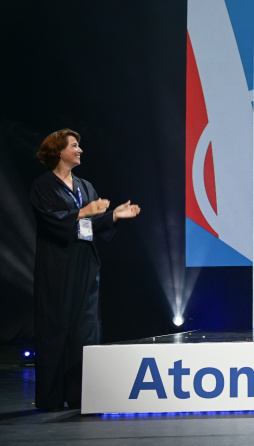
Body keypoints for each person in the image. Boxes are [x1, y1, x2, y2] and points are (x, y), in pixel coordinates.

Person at [31, 129, 140, 410]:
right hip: (57, 268)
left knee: (85, 330)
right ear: (59, 151)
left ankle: (80, 394)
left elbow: (92, 224)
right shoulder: (43, 186)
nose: (80, 150)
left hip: (85, 264)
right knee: (56, 328)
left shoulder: (84, 186)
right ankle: (51, 397)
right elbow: (50, 222)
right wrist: (83, 212)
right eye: (74, 146)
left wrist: (114, 215)